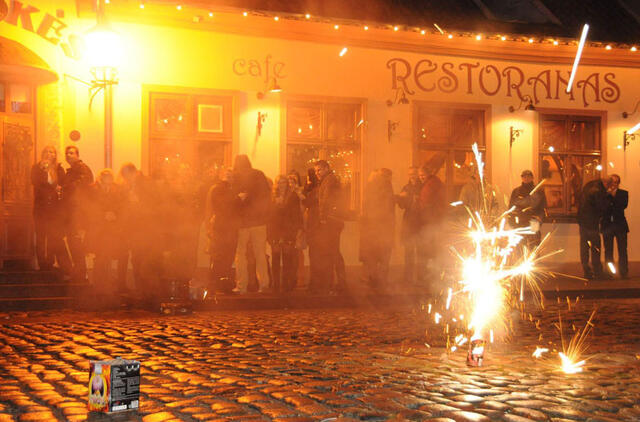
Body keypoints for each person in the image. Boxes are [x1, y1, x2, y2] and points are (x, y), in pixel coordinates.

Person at [232, 155, 271, 294]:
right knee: (260, 253)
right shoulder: (259, 174)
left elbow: (233, 199)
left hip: (242, 222)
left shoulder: (236, 176)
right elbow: (267, 196)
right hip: (259, 221)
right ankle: (263, 284)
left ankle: (241, 285)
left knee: (240, 254)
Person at [31, 146, 71, 275]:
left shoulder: (59, 169)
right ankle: (43, 265)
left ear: (55, 155)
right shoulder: (36, 168)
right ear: (43, 154)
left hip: (55, 209)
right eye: (47, 151)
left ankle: (53, 263)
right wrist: (44, 169)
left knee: (54, 236)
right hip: (41, 208)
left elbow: (65, 185)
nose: (50, 154)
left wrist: (60, 189)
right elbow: (36, 183)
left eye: (52, 152)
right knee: (41, 237)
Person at [88, 169, 126, 290]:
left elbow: (121, 206)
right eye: (105, 183)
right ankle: (98, 285)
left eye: (110, 183)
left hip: (111, 229)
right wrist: (103, 214)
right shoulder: (93, 190)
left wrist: (114, 214)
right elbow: (89, 208)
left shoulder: (116, 190)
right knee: (100, 257)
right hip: (97, 228)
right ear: (100, 181)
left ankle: (106, 284)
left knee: (108, 255)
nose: (107, 186)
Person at [61, 146, 94, 282]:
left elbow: (83, 186)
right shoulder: (71, 171)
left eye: (72, 153)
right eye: (67, 153)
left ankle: (81, 274)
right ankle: (79, 272)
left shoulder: (82, 168)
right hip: (72, 212)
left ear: (77, 155)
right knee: (73, 242)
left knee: (76, 242)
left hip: (78, 213)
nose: (69, 155)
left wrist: (65, 188)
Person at [314, 160, 346, 293]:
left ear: (327, 168)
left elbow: (325, 200)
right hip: (334, 219)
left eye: (319, 170)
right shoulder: (328, 180)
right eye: (316, 171)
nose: (317, 173)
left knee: (333, 251)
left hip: (331, 220)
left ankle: (339, 283)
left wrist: (322, 218)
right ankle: (337, 282)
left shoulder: (329, 180)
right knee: (333, 251)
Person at [206, 167, 239, 293]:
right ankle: (213, 284)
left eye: (231, 176)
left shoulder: (231, 189)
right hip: (221, 228)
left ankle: (223, 284)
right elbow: (222, 206)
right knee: (219, 256)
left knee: (228, 257)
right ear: (221, 176)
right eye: (227, 176)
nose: (229, 179)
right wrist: (237, 199)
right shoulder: (217, 189)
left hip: (232, 228)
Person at [268, 175, 303, 293]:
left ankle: (286, 284)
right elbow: (269, 215)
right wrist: (275, 205)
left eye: (283, 182)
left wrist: (298, 230)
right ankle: (276, 285)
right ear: (276, 184)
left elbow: (296, 214)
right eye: (279, 182)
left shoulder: (292, 196)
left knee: (288, 259)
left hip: (288, 230)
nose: (281, 185)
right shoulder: (272, 197)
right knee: (276, 259)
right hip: (275, 230)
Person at [360, 169, 395, 288]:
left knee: (374, 254)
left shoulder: (372, 186)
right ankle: (380, 280)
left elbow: (367, 205)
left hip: (373, 226)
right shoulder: (386, 186)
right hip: (382, 226)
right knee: (384, 255)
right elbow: (387, 206)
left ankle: (373, 279)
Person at [417, 164, 447, 284]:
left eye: (422, 175)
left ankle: (431, 276)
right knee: (433, 249)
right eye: (419, 175)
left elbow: (426, 203)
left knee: (429, 250)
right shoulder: (434, 183)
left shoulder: (430, 185)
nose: (421, 177)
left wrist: (417, 203)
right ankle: (435, 275)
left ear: (428, 174)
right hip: (434, 221)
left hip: (431, 222)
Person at [577, 177, 609, 280]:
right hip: (592, 222)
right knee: (595, 247)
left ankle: (586, 270)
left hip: (583, 222)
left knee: (584, 247)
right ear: (605, 183)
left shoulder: (588, 187)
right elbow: (602, 207)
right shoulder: (599, 190)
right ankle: (597, 271)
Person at [396, 166, 423, 284]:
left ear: (417, 174)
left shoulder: (423, 187)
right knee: (409, 251)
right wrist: (401, 198)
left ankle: (420, 276)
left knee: (420, 250)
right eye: (410, 174)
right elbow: (401, 205)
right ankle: (408, 277)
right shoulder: (406, 187)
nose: (412, 176)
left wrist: (415, 199)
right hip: (409, 222)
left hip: (420, 222)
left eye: (414, 173)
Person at [508, 170, 546, 248]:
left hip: (534, 221)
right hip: (519, 222)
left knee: (534, 247)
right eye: (524, 176)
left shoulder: (538, 191)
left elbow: (543, 207)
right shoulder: (516, 191)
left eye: (528, 176)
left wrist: (539, 220)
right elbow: (511, 207)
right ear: (522, 178)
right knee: (520, 247)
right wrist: (512, 222)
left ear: (532, 178)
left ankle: (534, 260)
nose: (526, 178)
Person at [602, 174, 629, 279]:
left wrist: (613, 196)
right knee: (608, 251)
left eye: (616, 182)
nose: (614, 184)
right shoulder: (604, 194)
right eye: (612, 182)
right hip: (607, 225)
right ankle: (609, 272)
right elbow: (602, 207)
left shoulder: (623, 193)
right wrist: (608, 195)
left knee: (622, 249)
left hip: (620, 225)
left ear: (619, 183)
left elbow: (623, 205)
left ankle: (623, 271)